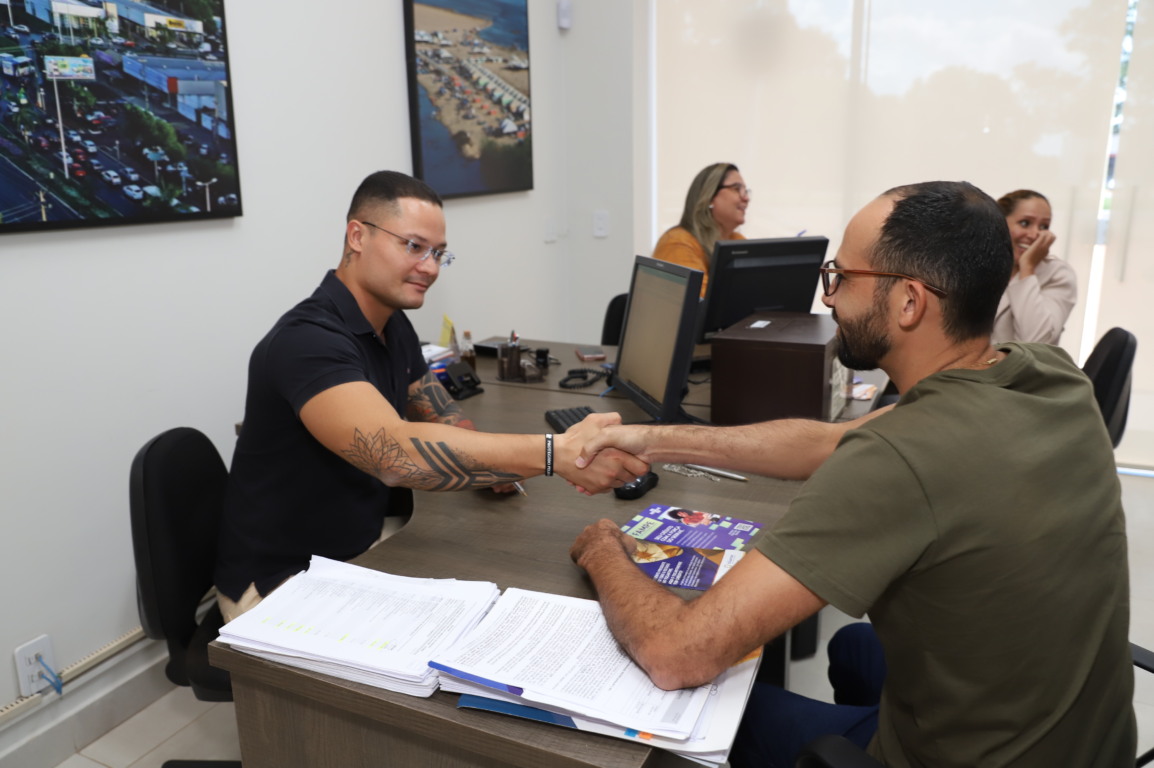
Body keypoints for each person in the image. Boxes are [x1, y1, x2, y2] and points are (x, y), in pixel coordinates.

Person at [569, 181, 1134, 767]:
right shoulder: (1051, 371)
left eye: (842, 277)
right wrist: (651, 440)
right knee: (852, 648)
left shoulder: (902, 457)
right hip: (1089, 742)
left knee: (724, 713)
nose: (830, 298)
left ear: (910, 302)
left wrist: (604, 548)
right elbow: (829, 441)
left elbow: (675, 653)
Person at [215, 170, 647, 622]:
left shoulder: (389, 321)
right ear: (357, 236)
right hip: (280, 582)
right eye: (414, 246)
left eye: (438, 253)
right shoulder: (308, 341)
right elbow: (392, 456)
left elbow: (436, 409)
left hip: (351, 548)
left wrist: (493, 466)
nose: (430, 267)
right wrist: (554, 453)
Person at [992, 189, 1077, 344]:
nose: (1034, 234)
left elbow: (1036, 343)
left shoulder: (1058, 274)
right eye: (1025, 223)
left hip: (1019, 367)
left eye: (1044, 227)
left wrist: (1028, 267)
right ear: (999, 223)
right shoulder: (978, 265)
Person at [652, 162, 749, 297]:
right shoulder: (677, 243)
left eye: (746, 191)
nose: (746, 198)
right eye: (736, 189)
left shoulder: (737, 241)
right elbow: (700, 304)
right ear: (709, 196)